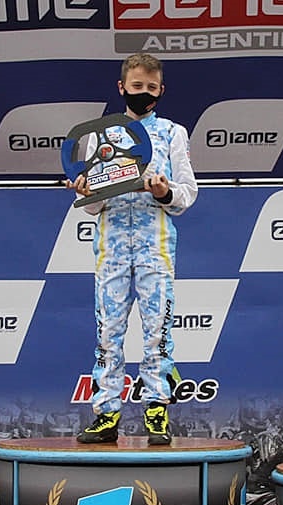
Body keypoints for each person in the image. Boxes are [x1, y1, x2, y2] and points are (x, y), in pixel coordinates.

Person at [65, 53, 198, 446]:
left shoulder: (173, 133)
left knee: (158, 330)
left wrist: (164, 192)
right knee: (108, 333)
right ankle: (106, 414)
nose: (144, 93)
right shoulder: (100, 134)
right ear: (122, 87)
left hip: (156, 244)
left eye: (151, 87)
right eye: (137, 86)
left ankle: (156, 410)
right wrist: (86, 191)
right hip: (111, 247)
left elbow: (187, 194)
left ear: (161, 90)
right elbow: (91, 205)